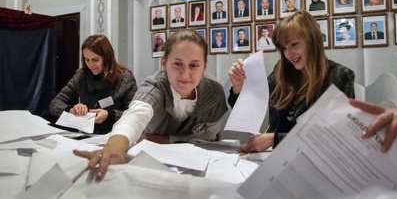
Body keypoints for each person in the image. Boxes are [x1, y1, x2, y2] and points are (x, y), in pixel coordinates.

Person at [74, 29, 228, 180]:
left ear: (204, 66)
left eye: (194, 65)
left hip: (197, 166)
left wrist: (167, 139)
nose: (185, 74)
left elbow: (209, 133)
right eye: (177, 64)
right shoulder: (155, 87)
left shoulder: (214, 92)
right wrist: (115, 146)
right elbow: (136, 115)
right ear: (164, 63)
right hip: (154, 164)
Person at [228, 10, 355, 153]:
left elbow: (339, 136)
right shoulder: (281, 73)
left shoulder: (339, 76)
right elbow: (250, 110)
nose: (288, 54)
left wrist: (274, 139)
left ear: (313, 41)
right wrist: (239, 87)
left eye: (294, 45)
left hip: (314, 161)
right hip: (275, 159)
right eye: (283, 48)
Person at [49, 35, 138, 134]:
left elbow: (135, 114)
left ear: (107, 57)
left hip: (116, 136)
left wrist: (110, 115)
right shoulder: (81, 77)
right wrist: (72, 110)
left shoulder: (125, 78)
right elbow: (55, 104)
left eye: (95, 60)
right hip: (86, 137)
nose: (91, 65)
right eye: (87, 60)